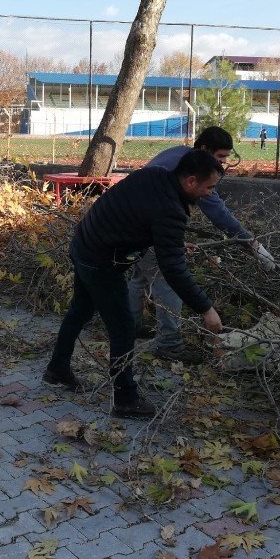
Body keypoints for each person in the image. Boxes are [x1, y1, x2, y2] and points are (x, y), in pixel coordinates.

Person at [44, 150, 225, 419]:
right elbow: (173, 269)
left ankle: (57, 370)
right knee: (124, 327)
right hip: (100, 260)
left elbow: (134, 217)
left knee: (80, 311)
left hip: (84, 243)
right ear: (190, 181)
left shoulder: (154, 176)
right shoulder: (171, 210)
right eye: (209, 187)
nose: (210, 193)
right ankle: (125, 398)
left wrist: (171, 243)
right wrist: (206, 308)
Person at [129, 126, 277, 362]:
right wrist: (248, 240)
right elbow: (216, 210)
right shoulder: (194, 169)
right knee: (167, 280)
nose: (223, 163)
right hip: (148, 223)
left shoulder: (179, 153)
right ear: (204, 149)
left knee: (140, 275)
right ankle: (169, 344)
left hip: (136, 221)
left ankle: (131, 327)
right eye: (220, 157)